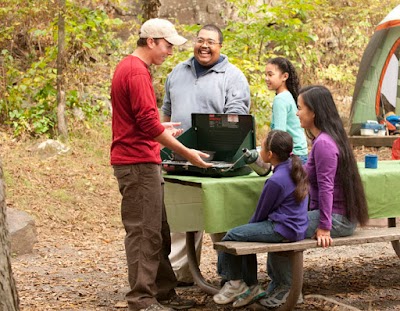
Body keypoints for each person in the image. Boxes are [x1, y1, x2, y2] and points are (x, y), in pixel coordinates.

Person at [110, 18, 213, 311]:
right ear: (152, 41)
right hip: (137, 162)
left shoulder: (132, 69)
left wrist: (161, 127)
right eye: (167, 46)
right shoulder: (135, 72)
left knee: (159, 229)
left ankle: (163, 292)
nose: (170, 52)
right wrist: (188, 152)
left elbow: (141, 120)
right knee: (144, 231)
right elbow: (145, 124)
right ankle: (142, 299)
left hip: (144, 158)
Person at [260, 85, 369, 308]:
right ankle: (281, 286)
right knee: (281, 222)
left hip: (338, 219)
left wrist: (325, 226)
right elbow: (307, 173)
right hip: (333, 214)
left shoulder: (325, 144)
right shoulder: (323, 140)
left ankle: (287, 291)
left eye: (300, 108)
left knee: (280, 228)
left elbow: (327, 187)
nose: (297, 113)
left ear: (314, 113)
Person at [161, 24, 251, 286]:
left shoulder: (232, 76)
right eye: (200, 40)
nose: (204, 46)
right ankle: (183, 274)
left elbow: (237, 119)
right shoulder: (177, 72)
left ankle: (231, 277)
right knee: (182, 215)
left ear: (220, 46)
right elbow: (166, 112)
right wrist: (163, 144)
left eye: (211, 41)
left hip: (216, 160)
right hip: (179, 157)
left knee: (220, 216)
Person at [212, 130, 309, 308]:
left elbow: (260, 215)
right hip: (295, 226)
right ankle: (251, 286)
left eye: (262, 147)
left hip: (283, 228)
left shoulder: (275, 181)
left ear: (270, 154)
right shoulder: (293, 167)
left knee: (232, 235)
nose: (259, 149)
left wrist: (245, 231)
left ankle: (234, 282)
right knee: (243, 236)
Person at [266, 57, 308, 163]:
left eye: (270, 75)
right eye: (265, 75)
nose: (266, 78)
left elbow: (279, 134)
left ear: (285, 76)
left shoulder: (280, 99)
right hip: (301, 154)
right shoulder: (288, 96)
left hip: (293, 156)